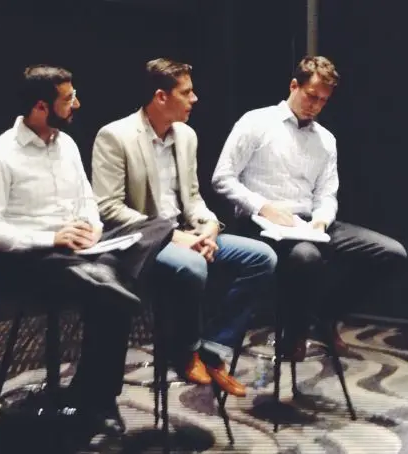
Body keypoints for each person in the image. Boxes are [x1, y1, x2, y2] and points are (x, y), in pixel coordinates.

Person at [0, 64, 173, 436]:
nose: (76, 104)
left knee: (159, 226)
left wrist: (91, 229)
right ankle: (101, 399)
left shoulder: (67, 145)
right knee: (108, 295)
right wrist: (51, 239)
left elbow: (87, 201)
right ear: (40, 107)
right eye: (68, 99)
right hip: (28, 259)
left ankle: (112, 281)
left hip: (78, 251)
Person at [91, 58, 276, 397]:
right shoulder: (115, 136)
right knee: (191, 265)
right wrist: (171, 235)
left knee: (262, 257)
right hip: (141, 242)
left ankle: (214, 348)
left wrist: (209, 227)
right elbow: (108, 207)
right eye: (186, 92)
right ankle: (185, 349)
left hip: (183, 234)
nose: (195, 99)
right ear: (161, 96)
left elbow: (192, 198)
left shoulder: (186, 136)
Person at [211, 55, 407, 361]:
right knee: (307, 257)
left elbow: (327, 194)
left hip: (308, 224)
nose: (315, 106)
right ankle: (295, 334)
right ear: (294, 86)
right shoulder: (256, 122)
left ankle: (326, 316)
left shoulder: (325, 140)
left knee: (391, 253)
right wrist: (263, 207)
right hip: (263, 224)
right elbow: (222, 178)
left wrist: (321, 220)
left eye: (323, 101)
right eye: (311, 96)